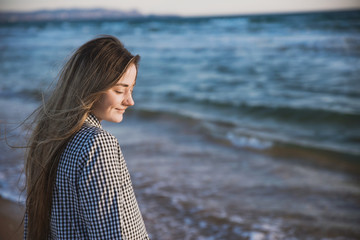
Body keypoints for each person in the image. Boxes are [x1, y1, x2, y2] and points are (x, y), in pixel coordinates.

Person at [24, 35, 150, 239]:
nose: (130, 101)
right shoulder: (98, 144)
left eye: (132, 89)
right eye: (120, 90)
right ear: (90, 86)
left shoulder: (48, 136)